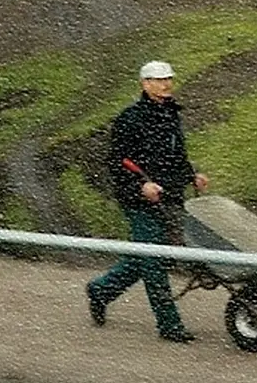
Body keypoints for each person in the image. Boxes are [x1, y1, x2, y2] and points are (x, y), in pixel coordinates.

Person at [86, 60, 208, 343]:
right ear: (144, 84)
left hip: (170, 197)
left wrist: (192, 175)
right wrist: (141, 185)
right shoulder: (130, 119)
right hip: (139, 201)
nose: (166, 84)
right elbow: (117, 162)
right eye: (158, 79)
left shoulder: (172, 115)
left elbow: (176, 156)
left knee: (153, 257)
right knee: (153, 261)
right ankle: (169, 325)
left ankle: (101, 290)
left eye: (168, 79)